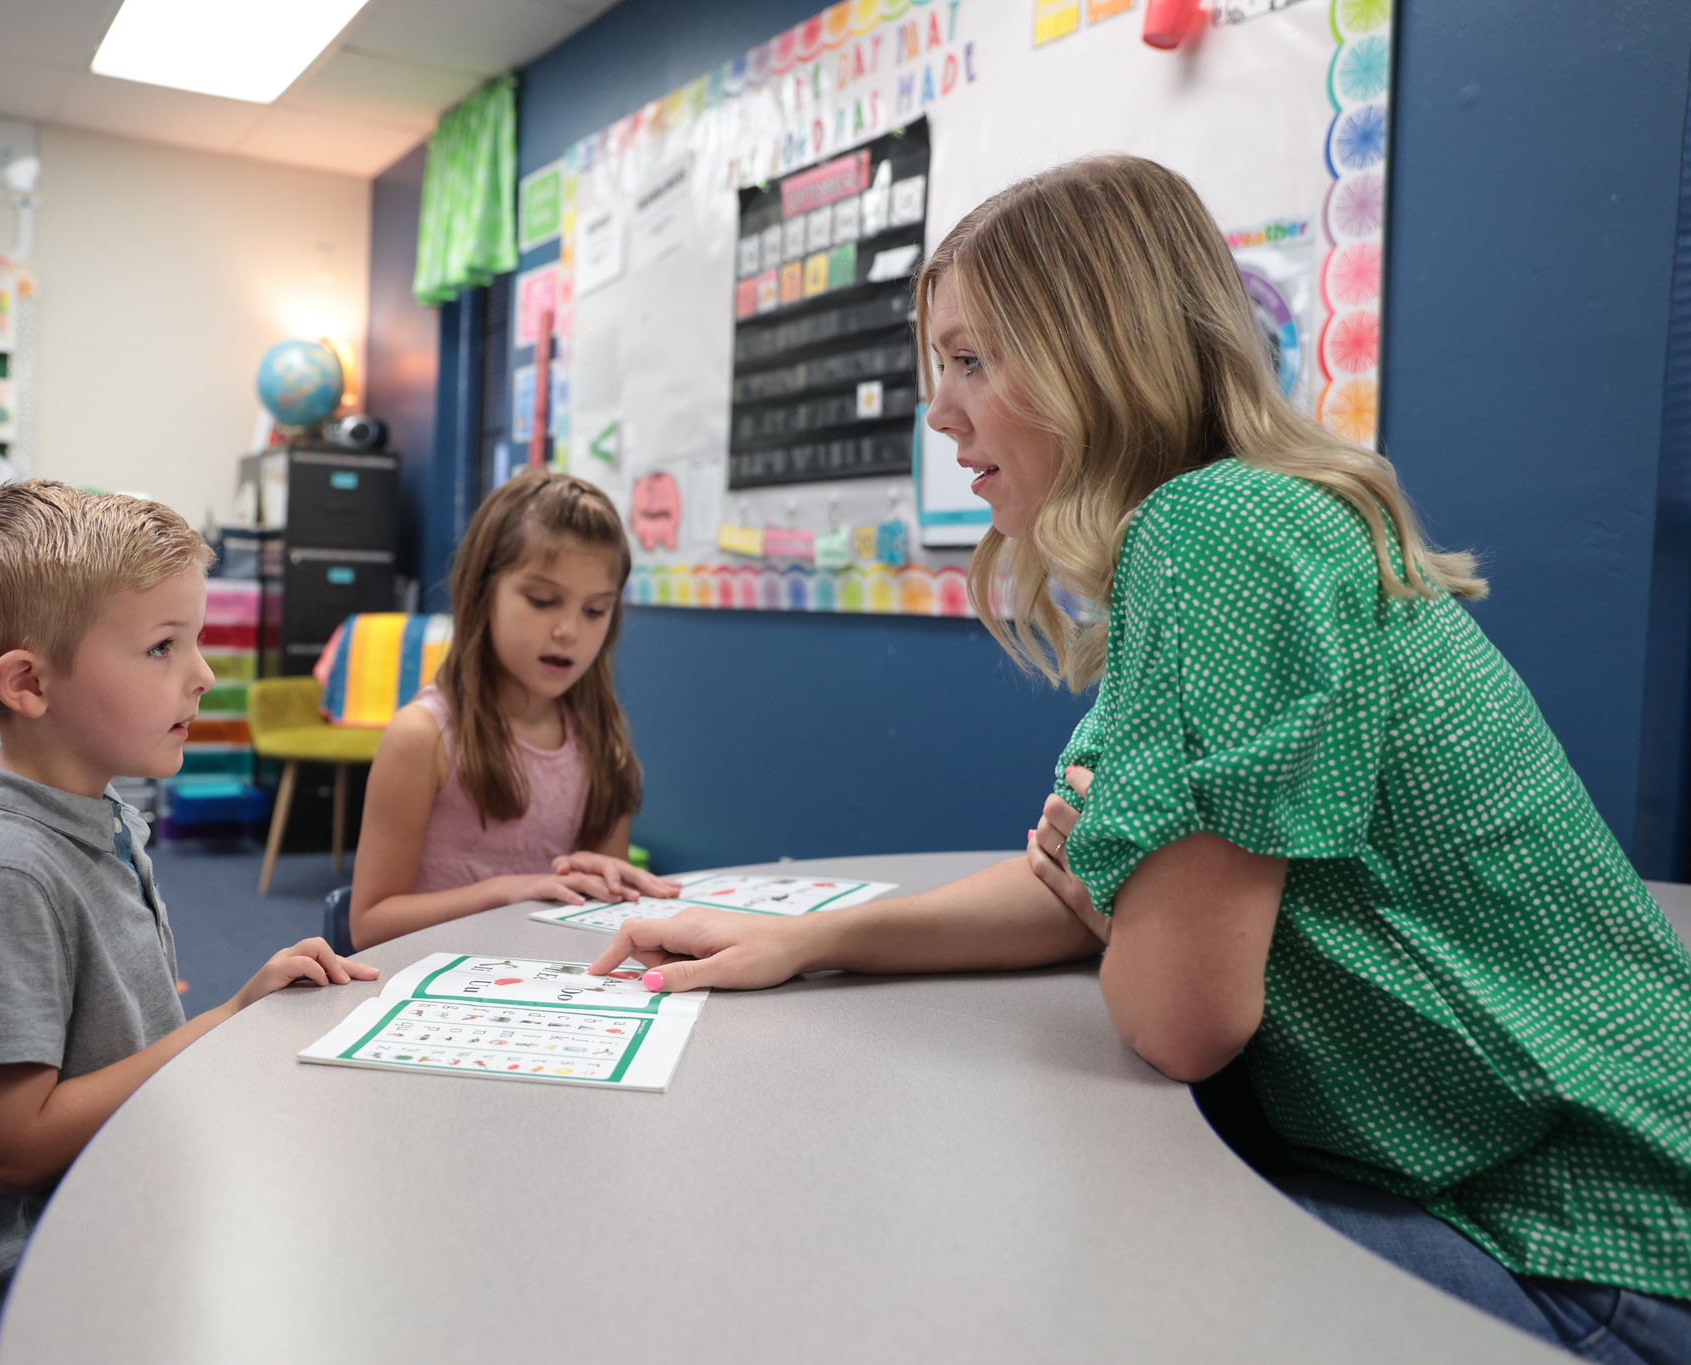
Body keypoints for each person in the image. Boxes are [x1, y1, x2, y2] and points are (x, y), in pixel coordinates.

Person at [590, 155, 1691, 1361]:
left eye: (970, 361)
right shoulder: (1233, 524)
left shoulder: (1214, 534)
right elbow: (1083, 886)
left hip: (1577, 1242)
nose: (940, 410)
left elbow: (1176, 1014)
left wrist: (1116, 897)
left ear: (1093, 353)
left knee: (988, 1272)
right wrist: (809, 941)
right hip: (1525, 1195)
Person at [0, 481, 376, 1362]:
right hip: (49, 1282)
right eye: (162, 647)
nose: (202, 674)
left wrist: (241, 1012)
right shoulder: (6, 867)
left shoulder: (96, 818)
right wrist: (220, 1027)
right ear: (29, 683)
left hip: (131, 1194)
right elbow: (11, 1146)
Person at [349, 469, 679, 950]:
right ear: (483, 593)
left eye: (595, 610)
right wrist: (506, 892)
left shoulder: (603, 743)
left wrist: (612, 887)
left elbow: (597, 918)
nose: (569, 630)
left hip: (548, 986)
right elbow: (369, 925)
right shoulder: (423, 737)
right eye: (543, 601)